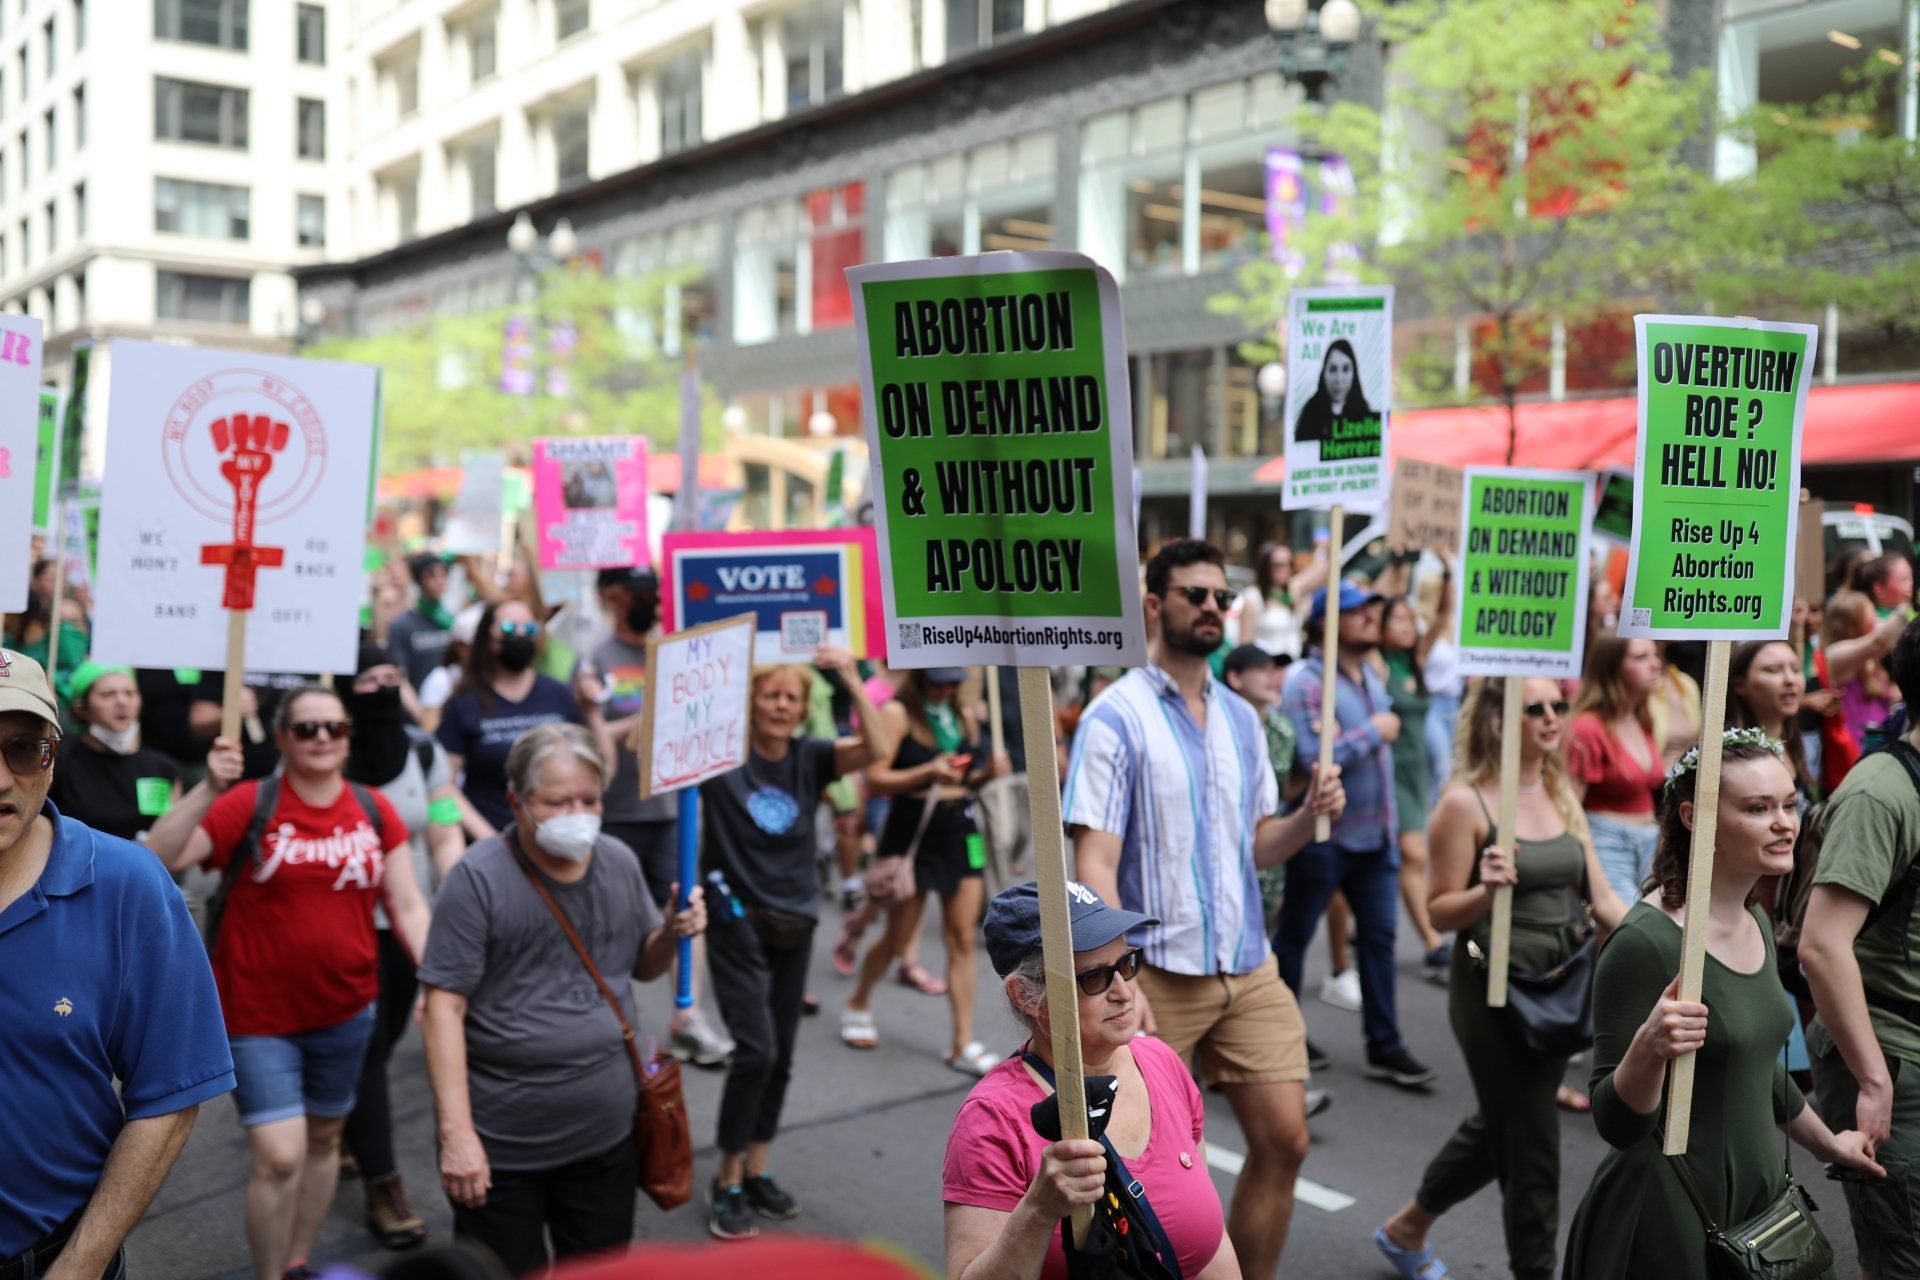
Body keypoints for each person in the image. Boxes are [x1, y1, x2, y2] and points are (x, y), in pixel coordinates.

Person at [1065, 537, 1346, 1280]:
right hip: (1157, 971)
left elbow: (1257, 845)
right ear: (1156, 605)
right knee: (1127, 1170)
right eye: (1197, 595)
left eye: (1223, 596)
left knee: (1285, 1141)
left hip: (1249, 964)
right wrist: (1119, 975)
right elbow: (1093, 861)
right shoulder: (1113, 717)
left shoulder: (1243, 720)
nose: (1214, 608)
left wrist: (1309, 814)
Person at [1562, 729, 1885, 1277]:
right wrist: (1649, 1050)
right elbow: (1615, 1123)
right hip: (1670, 1214)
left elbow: (1756, 1066)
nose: (1784, 822)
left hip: (1760, 1203)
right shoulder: (1646, 944)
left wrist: (1830, 1146)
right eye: (1758, 809)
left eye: (1789, 804)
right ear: (1694, 816)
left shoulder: (1756, 918)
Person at [157, 684, 433, 1280]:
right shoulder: (249, 803)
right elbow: (162, 856)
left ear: (348, 737)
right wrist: (209, 786)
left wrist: (437, 980)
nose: (322, 739)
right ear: (282, 737)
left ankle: (297, 1263)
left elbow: (408, 903)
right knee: (280, 1157)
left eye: (334, 727)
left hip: (348, 1009)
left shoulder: (373, 808)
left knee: (326, 1141)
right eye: (307, 728)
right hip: (257, 1016)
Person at [420, 723, 706, 1277]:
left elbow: (643, 967)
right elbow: (442, 1010)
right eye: (557, 801)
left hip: (606, 1138)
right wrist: (458, 1137)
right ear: (516, 801)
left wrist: (672, 931)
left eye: (589, 800)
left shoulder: (619, 860)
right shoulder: (476, 880)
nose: (577, 813)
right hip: (503, 1150)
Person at [1373, 677, 1629, 1280]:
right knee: (1533, 1144)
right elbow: (1437, 912)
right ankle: (1536, 1271)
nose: (1551, 717)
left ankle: (1407, 1227)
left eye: (1558, 706)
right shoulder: (1466, 803)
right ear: (1495, 717)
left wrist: (1668, 941)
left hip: (1560, 979)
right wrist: (1484, 890)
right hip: (1494, 988)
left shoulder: (1559, 787)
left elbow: (1600, 895)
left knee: (1510, 1117)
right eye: (1533, 707)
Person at [0, 650, 236, 1280]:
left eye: (24, 749)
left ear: (52, 756)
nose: (1, 777)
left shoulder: (129, 885)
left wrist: (78, 1268)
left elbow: (170, 1092)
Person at [942, 882, 1240, 1280]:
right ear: (1026, 997)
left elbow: (1209, 1243)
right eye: (1095, 977)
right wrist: (1039, 1209)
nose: (1124, 992)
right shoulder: (993, 1118)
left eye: (1127, 964)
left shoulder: (1163, 1062)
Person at [701, 648, 887, 1241]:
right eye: (770, 695)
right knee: (755, 1050)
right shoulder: (721, 756)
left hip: (796, 919)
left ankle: (758, 1168)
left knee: (780, 1055)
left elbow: (877, 749)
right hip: (737, 917)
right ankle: (726, 1179)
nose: (781, 706)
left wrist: (852, 681)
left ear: (805, 709)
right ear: (750, 702)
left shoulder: (811, 757)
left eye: (792, 698)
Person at [1276, 579, 1437, 1089]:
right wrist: (1374, 732)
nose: (1371, 616)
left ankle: (1384, 1048)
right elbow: (1311, 759)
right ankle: (1281, 1039)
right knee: (1294, 939)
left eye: (1372, 608)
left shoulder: (1367, 676)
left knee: (1380, 943)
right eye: (1356, 610)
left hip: (1375, 841)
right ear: (1326, 622)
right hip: (1322, 837)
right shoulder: (1305, 682)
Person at [1799, 619, 1920, 1280]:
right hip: (1894, 1056)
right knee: (1904, 1257)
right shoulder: (1880, 793)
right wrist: (1874, 1077)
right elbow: (1822, 946)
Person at [574, 567, 732, 1069]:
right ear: (613, 598)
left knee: (687, 907)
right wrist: (642, 722)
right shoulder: (594, 658)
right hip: (617, 812)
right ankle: (607, 1024)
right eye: (638, 593)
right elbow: (592, 738)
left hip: (672, 811)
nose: (649, 600)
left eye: (653, 592)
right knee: (611, 919)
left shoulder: (676, 651)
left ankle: (687, 1015)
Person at [339, 645, 467, 1251]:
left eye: (393, 676)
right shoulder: (324, 744)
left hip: (408, 923)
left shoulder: (423, 749)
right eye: (370, 677)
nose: (385, 686)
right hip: (339, 924)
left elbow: (443, 831)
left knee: (384, 1038)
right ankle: (383, 1181)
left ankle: (340, 1122)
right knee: (366, 1049)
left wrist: (456, 907)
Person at [843, 666, 1009, 1072]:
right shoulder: (898, 713)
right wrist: (927, 771)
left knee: (961, 938)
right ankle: (858, 1000)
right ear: (919, 678)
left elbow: (965, 782)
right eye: (937, 681)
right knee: (899, 938)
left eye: (952, 682)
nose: (945, 689)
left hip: (958, 827)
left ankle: (962, 1042)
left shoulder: (965, 714)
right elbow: (877, 780)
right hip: (913, 828)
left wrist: (987, 773)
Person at [435, 600, 588, 839]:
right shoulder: (464, 704)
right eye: (508, 628)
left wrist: (594, 713)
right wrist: (489, 840)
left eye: (529, 629)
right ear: (487, 636)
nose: (519, 635)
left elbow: (589, 767)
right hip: (490, 839)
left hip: (559, 837)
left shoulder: (559, 694)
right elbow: (444, 784)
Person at [49, 662, 243, 849]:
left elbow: (174, 840)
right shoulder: (58, 763)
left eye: (130, 693)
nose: (122, 702)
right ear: (81, 708)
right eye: (108, 695)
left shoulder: (163, 768)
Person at [1567, 637, 1667, 905]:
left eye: (1655, 655)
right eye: (1641, 657)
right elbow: (1568, 805)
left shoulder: (1641, 719)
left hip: (1649, 840)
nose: (1656, 664)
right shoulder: (1587, 727)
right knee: (1624, 928)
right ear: (1612, 668)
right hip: (1607, 840)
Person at [1378, 595, 1447, 972]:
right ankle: (1432, 940)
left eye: (1409, 619)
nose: (1407, 626)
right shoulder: (1377, 663)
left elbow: (1443, 614)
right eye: (1397, 619)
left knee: (1388, 859)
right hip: (1391, 770)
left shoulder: (1415, 660)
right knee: (1414, 855)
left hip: (1417, 773)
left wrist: (1446, 570)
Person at [1818, 590, 1905, 760]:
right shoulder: (1835, 656)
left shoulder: (1872, 660)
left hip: (1881, 748)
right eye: (1873, 616)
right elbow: (1879, 641)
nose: (1879, 620)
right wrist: (1909, 606)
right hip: (1854, 754)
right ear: (1852, 626)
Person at [1727, 639, 1814, 804]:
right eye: (1773, 670)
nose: (1790, 679)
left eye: (1796, 669)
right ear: (1740, 684)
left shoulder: (1794, 743)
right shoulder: (1729, 756)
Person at [388, 554, 457, 691]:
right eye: (431, 575)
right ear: (419, 580)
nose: (439, 581)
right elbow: (400, 677)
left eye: (443, 575)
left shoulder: (452, 620)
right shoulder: (402, 624)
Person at [1291, 338, 1376, 446]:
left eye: (1345, 369)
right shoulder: (1310, 413)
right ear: (1324, 373)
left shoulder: (1364, 411)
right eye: (1333, 369)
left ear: (1354, 373)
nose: (1339, 379)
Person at [1238, 540, 1304, 659]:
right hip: (1267, 669)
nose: (1286, 569)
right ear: (1266, 566)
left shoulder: (1292, 591)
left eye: (1290, 563)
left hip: (1293, 668)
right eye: (1279, 565)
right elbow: (1244, 648)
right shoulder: (1252, 597)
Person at [1857, 552, 1916, 618]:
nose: (1912, 584)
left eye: (1911, 577)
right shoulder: (1872, 619)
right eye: (1904, 580)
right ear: (1879, 589)